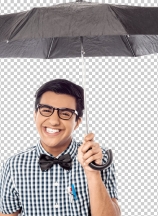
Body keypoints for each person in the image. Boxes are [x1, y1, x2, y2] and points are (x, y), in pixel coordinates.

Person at [0, 79, 121, 216]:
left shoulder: (98, 158)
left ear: (77, 122)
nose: (54, 121)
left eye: (65, 113)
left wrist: (92, 172)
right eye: (46, 110)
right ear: (35, 116)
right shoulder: (13, 165)